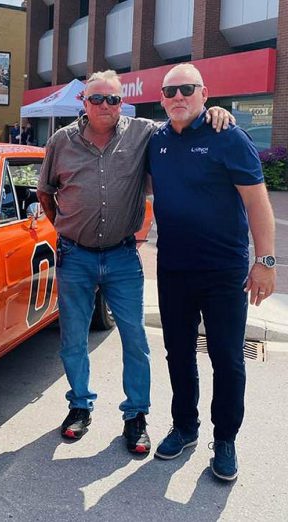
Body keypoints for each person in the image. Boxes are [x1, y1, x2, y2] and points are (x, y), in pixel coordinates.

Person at [36, 69, 233, 455]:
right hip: (75, 255)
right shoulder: (61, 141)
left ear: (122, 101)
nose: (107, 106)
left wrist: (217, 113)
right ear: (84, 102)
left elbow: (182, 116)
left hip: (123, 255)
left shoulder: (143, 132)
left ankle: (136, 415)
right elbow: (46, 191)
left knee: (135, 341)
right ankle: (79, 406)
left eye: (113, 99)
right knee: (73, 338)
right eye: (98, 99)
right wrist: (63, 226)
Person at [148, 64, 276, 482]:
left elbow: (258, 203)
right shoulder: (157, 139)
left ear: (204, 93)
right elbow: (108, 122)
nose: (178, 96)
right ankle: (184, 427)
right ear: (162, 97)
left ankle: (225, 440)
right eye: (170, 91)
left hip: (225, 272)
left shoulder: (229, 136)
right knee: (178, 354)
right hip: (174, 269)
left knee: (227, 358)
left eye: (187, 89)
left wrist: (266, 261)